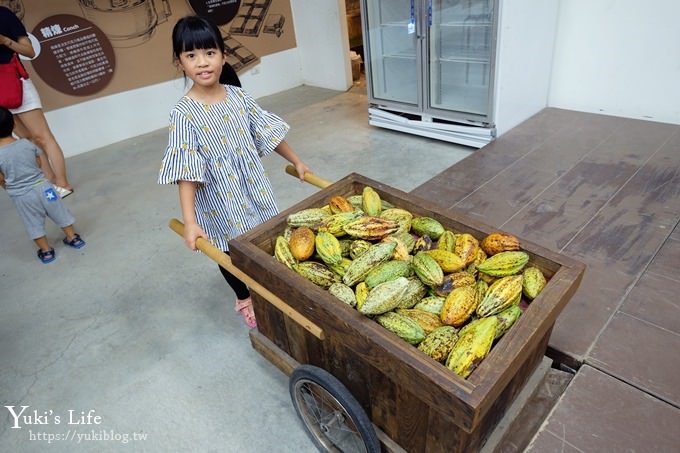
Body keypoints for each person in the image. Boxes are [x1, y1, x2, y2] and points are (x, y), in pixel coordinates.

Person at [158, 15, 309, 329]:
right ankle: (245, 297)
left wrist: (296, 160)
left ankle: (272, 286)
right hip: (218, 203)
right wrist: (190, 221)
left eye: (209, 53)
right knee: (229, 253)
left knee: (267, 238)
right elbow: (186, 172)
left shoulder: (239, 97)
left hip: (252, 190)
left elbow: (268, 132)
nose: (203, 62)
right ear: (179, 62)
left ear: (223, 56)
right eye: (191, 55)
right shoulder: (183, 114)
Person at [0, 6, 74, 197]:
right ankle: (49, 182)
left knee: (42, 136)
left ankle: (63, 183)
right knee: (27, 141)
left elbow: (30, 51)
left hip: (15, 83)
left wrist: (5, 41)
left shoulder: (4, 14)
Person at [0, 107, 85, 264]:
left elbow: (1, 179)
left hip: (23, 197)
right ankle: (73, 238)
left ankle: (46, 252)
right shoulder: (25, 144)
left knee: (32, 221)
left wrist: (9, 186)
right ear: (13, 126)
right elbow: (38, 162)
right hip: (45, 188)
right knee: (58, 210)